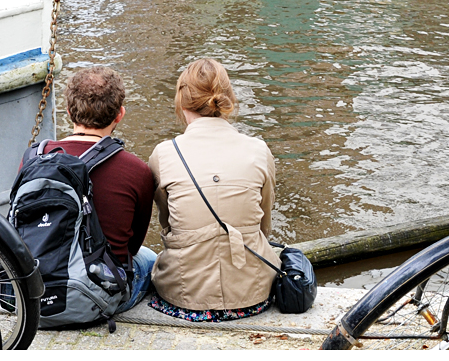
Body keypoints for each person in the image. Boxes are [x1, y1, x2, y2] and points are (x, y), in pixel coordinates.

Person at [147, 58, 279, 322]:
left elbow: (167, 224)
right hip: (252, 296)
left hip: (183, 297)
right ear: (227, 99)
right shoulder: (258, 150)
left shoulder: (164, 153)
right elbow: (264, 225)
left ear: (182, 102)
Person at [39, 66, 156, 313]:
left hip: (39, 291)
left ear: (69, 112)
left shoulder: (35, 158)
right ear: (120, 114)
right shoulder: (137, 170)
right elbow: (132, 248)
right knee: (150, 258)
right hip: (99, 295)